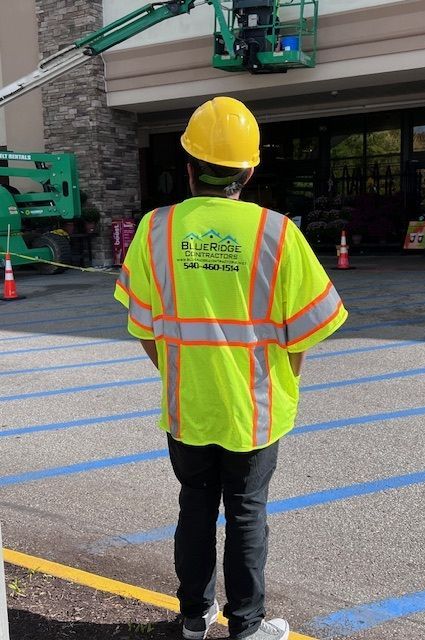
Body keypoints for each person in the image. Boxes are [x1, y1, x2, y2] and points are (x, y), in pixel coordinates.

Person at [114, 96, 348, 640]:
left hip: (187, 407)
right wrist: (281, 380)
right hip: (256, 411)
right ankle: (246, 627)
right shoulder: (277, 234)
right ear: (249, 170)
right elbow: (306, 332)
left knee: (194, 507)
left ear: (189, 167)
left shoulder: (155, 230)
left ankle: (193, 620)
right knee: (246, 515)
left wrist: (179, 374)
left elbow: (145, 329)